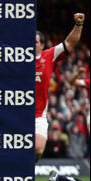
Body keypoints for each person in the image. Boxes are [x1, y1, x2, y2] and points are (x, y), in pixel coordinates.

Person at [34, 13, 85, 162]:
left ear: (42, 45)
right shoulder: (18, 59)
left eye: (36, 42)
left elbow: (69, 43)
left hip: (38, 114)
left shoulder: (48, 56)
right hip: (18, 112)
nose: (32, 44)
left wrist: (78, 25)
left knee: (37, 149)